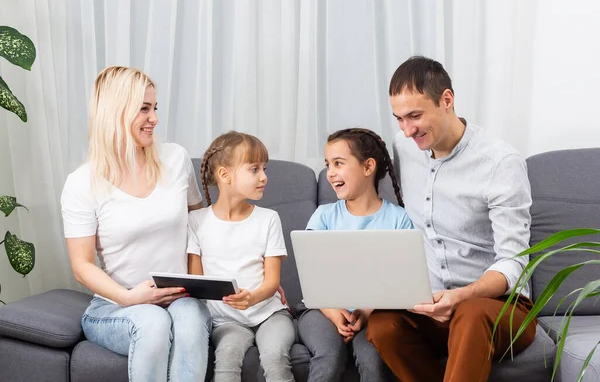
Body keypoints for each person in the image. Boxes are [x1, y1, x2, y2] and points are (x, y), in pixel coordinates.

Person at [366, 56, 537, 382]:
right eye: (399, 119)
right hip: (430, 307)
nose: (407, 129)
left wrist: (460, 296)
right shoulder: (405, 147)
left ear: (447, 100)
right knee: (382, 325)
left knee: (471, 315)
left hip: (498, 308)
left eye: (415, 115)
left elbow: (514, 264)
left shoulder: (500, 163)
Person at [61, 66, 212, 382]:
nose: (154, 118)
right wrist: (129, 298)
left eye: (155, 107)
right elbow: (82, 265)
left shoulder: (175, 159)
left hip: (179, 295)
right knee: (152, 323)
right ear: (116, 112)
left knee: (190, 320)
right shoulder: (81, 183)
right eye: (144, 108)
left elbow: (202, 224)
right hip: (117, 306)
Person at [296, 128, 413, 382]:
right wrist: (332, 310)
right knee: (329, 355)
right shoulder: (324, 216)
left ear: (368, 166)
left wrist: (366, 311)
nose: (330, 173)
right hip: (321, 309)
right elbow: (311, 275)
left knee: (372, 357)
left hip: (376, 313)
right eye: (328, 165)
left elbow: (401, 282)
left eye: (339, 163)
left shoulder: (399, 219)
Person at [187, 131, 295, 382]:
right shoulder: (196, 221)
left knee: (275, 357)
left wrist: (253, 298)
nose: (264, 177)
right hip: (225, 321)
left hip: (270, 315)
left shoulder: (268, 219)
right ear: (224, 175)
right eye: (254, 169)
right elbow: (196, 281)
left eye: (264, 169)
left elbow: (271, 282)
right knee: (226, 358)